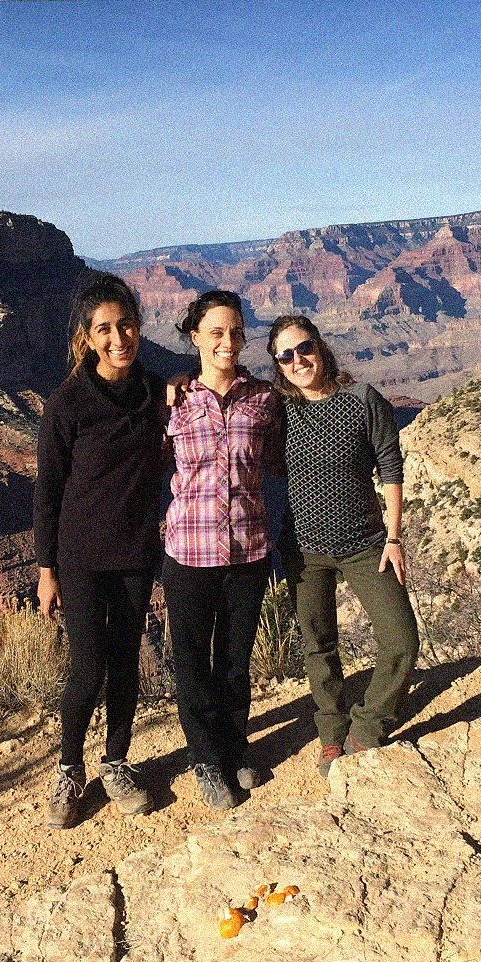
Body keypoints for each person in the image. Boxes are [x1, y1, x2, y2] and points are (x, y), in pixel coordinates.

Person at [33, 275, 168, 828]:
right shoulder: (67, 404)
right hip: (81, 558)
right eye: (105, 329)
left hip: (135, 552)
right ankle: (69, 767)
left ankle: (116, 761)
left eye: (127, 325)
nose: (119, 338)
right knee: (88, 667)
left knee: (126, 661)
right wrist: (47, 570)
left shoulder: (154, 391)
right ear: (87, 337)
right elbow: (48, 490)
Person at [266, 315, 421, 776]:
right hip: (303, 549)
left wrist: (394, 537)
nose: (298, 360)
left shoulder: (362, 400)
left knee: (401, 639)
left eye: (305, 348)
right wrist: (178, 381)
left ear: (321, 346)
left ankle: (368, 727)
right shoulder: (278, 409)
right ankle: (331, 732)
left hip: (366, 545)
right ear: (278, 365)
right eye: (286, 356)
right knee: (319, 645)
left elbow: (390, 468)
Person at [161, 290, 283, 810]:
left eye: (235, 331)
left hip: (248, 550)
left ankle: (234, 747)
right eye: (216, 332)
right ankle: (205, 758)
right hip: (188, 552)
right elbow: (146, 466)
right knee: (191, 661)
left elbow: (278, 464)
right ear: (195, 337)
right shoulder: (174, 401)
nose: (227, 342)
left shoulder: (264, 399)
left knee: (235, 660)